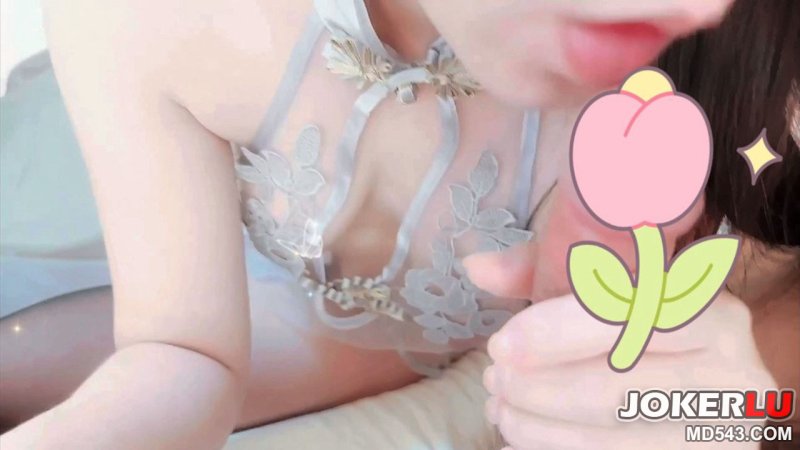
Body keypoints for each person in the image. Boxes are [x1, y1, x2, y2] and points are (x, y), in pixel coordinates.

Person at [0, 0, 789, 448]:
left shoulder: (737, 80)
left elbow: (752, 407)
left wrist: (735, 422)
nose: (699, 7)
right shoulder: (143, 18)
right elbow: (179, 348)